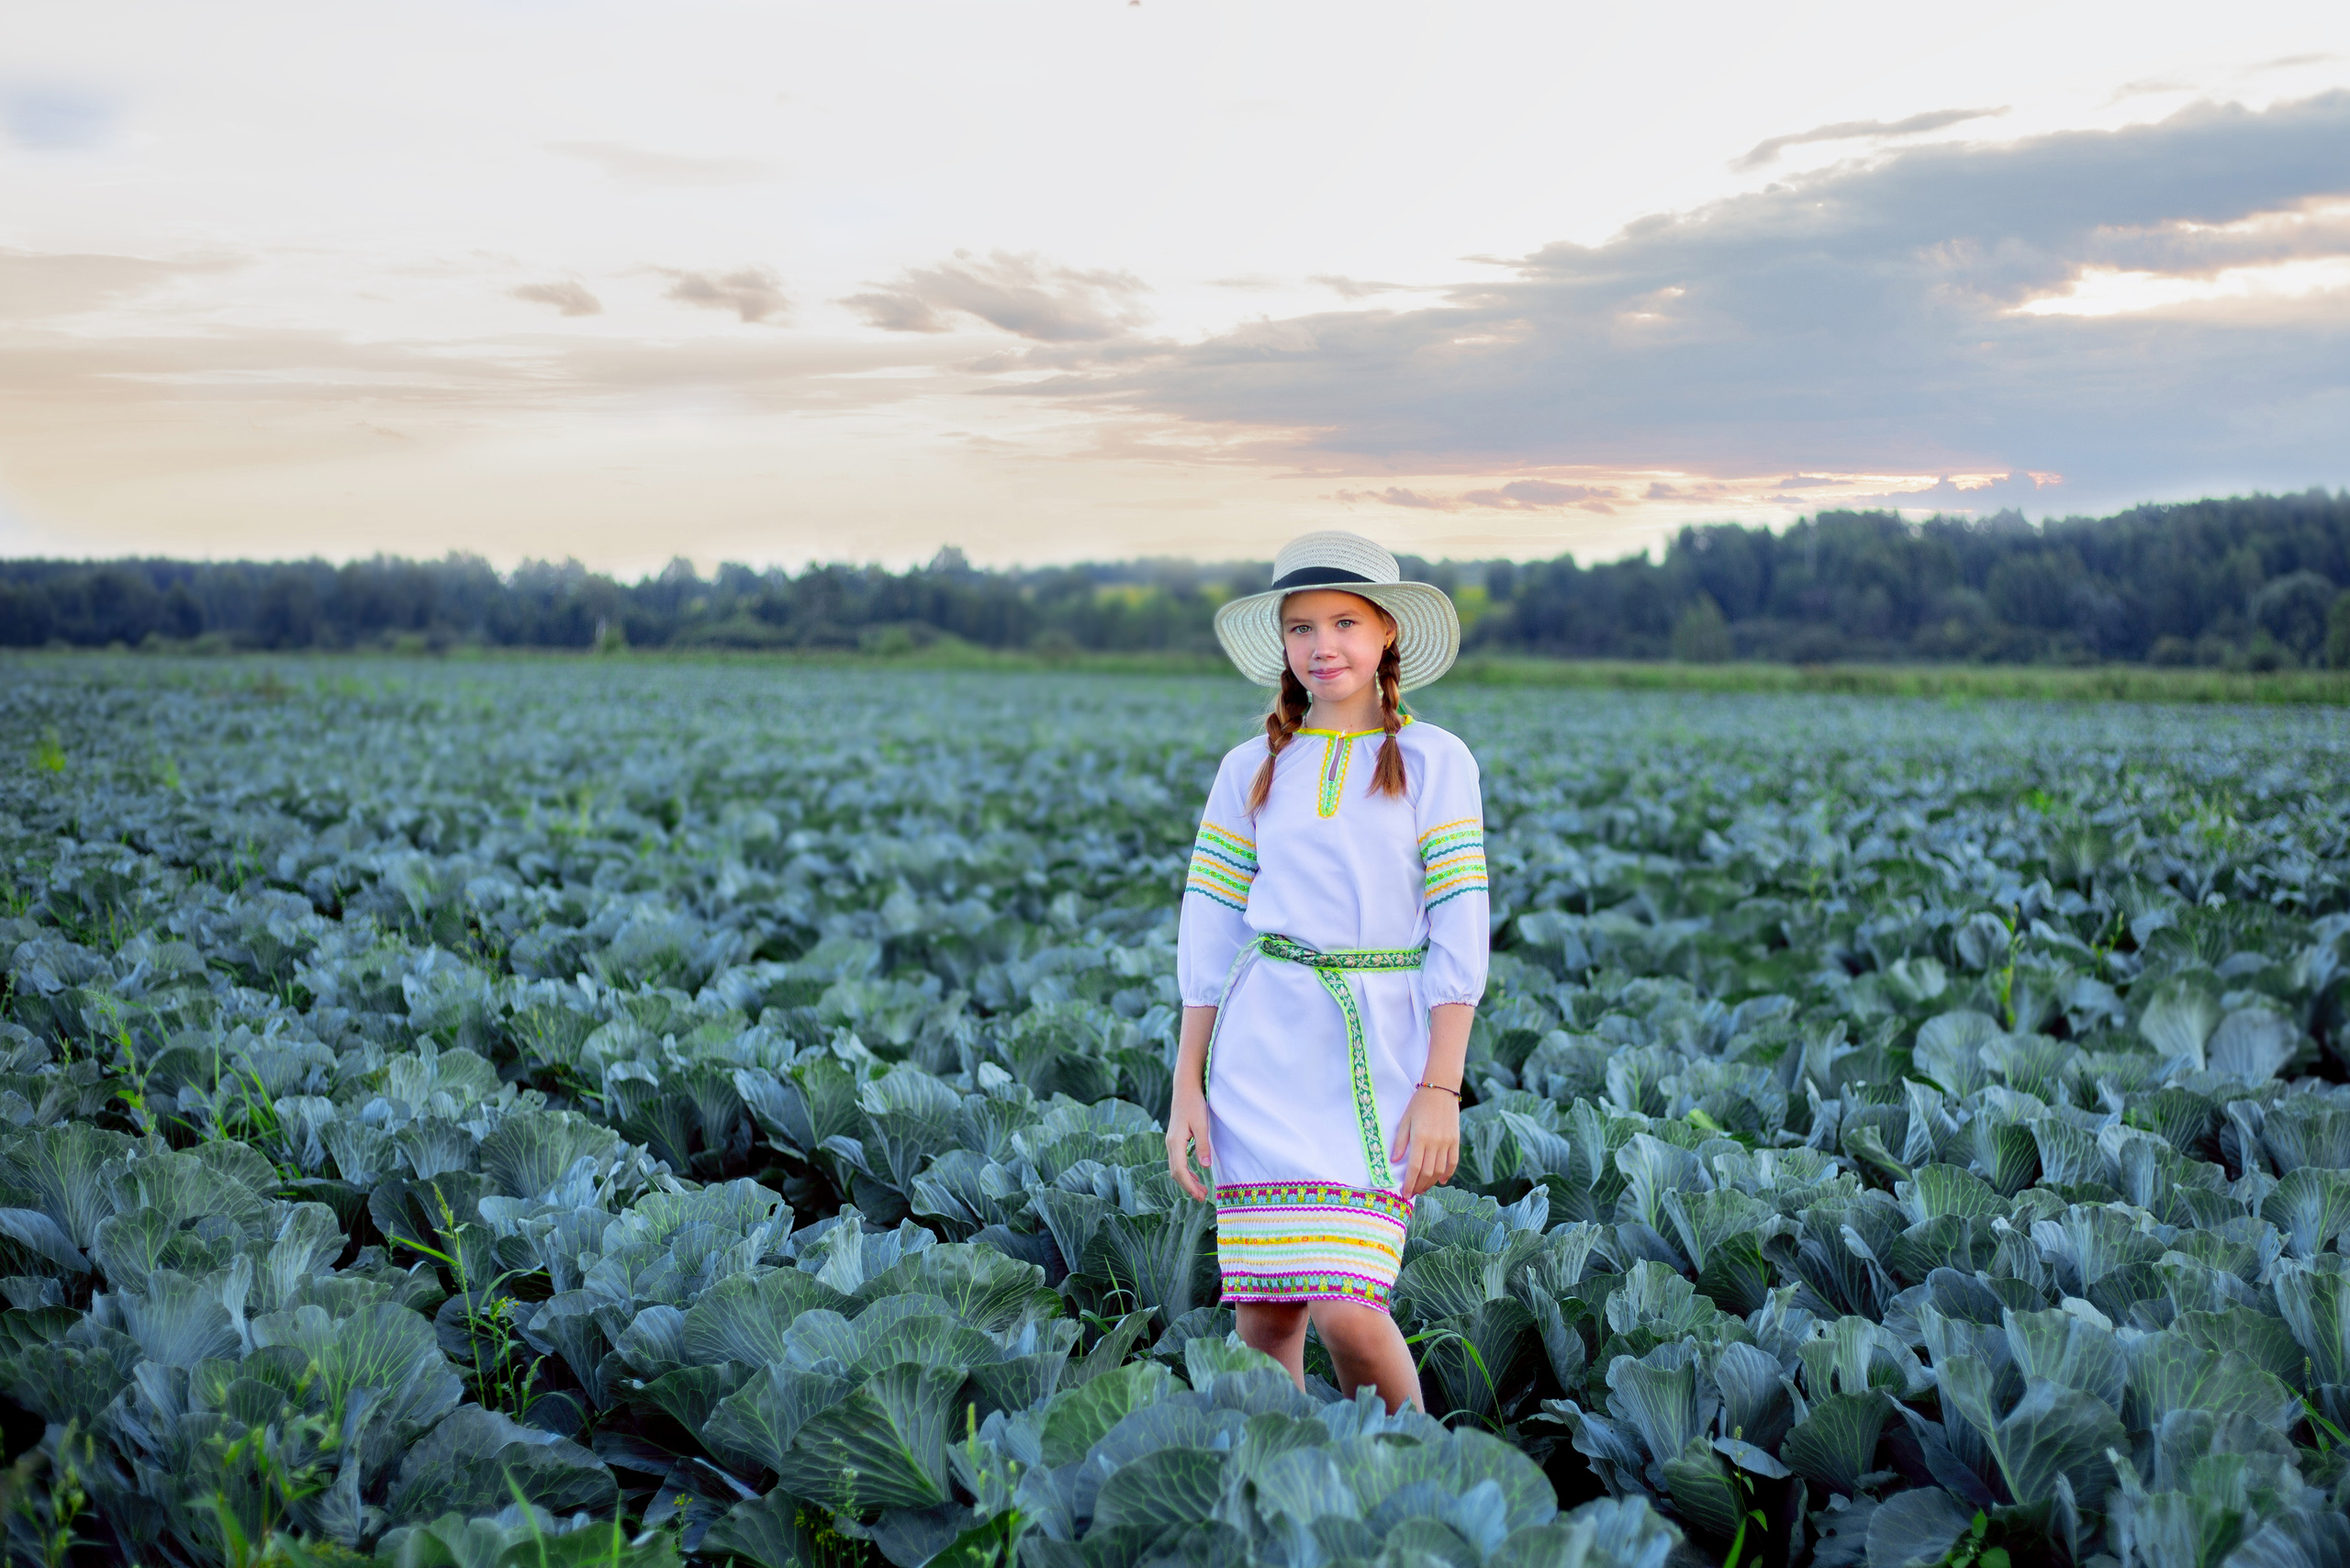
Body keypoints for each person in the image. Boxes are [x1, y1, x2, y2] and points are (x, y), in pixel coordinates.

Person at [1164, 529, 1489, 1411]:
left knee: (1350, 1305)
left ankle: (1410, 1486)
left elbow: (1461, 930)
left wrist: (1441, 1087)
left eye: (1345, 622)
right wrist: (1186, 1088)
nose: (1323, 646)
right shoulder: (1251, 767)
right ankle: (1288, 1484)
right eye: (1301, 627)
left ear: (1387, 633)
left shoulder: (1436, 760)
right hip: (1260, 1047)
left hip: (1380, 1048)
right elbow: (1209, 939)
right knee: (1267, 1317)